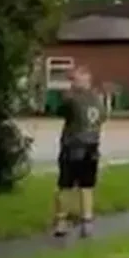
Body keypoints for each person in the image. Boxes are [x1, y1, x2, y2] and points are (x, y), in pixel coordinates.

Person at [53, 65, 105, 238]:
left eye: (74, 80)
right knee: (87, 186)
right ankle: (87, 222)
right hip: (92, 147)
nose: (72, 83)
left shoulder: (72, 99)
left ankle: (61, 221)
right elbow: (103, 118)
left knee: (65, 186)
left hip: (72, 146)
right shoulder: (98, 100)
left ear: (83, 80)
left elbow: (58, 111)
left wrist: (66, 95)